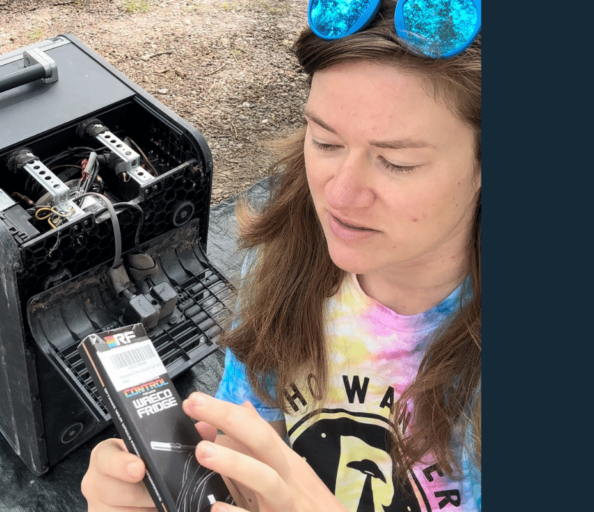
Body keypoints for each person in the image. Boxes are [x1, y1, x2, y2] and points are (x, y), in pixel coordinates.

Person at [80, 1, 482, 511]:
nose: (340, 196)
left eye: (397, 162)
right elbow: (246, 453)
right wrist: (169, 491)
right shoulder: (287, 261)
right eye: (326, 141)